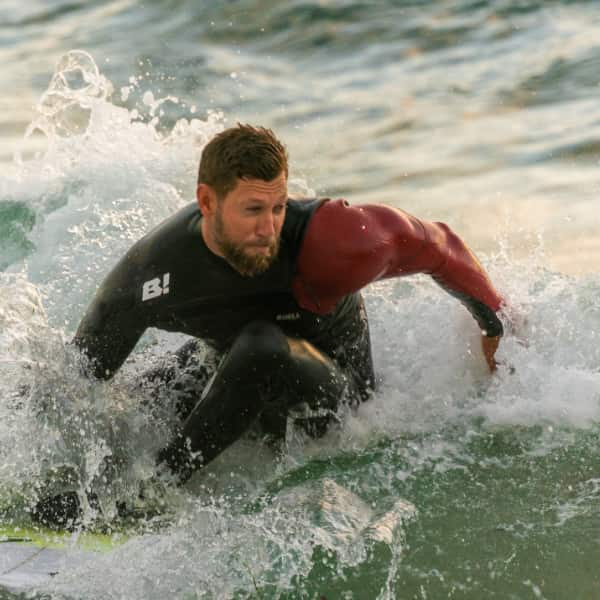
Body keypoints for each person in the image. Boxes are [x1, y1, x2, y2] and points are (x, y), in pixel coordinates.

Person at [33, 124, 504, 526]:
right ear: (207, 202)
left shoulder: (332, 241)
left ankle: (149, 494)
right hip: (232, 376)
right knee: (117, 396)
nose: (269, 229)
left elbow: (440, 245)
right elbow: (79, 379)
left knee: (261, 346)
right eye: (253, 210)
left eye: (278, 207)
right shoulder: (151, 273)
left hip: (333, 398)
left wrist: (494, 327)